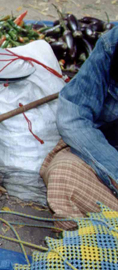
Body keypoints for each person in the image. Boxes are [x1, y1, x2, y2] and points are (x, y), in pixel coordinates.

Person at [40, 27, 118, 230]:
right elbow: (73, 115)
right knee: (63, 178)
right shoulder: (113, 44)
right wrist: (114, 170)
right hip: (104, 159)